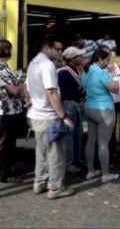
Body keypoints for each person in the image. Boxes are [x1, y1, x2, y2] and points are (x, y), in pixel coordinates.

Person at [26, 34, 75, 199]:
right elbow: (51, 92)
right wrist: (63, 117)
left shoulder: (34, 63)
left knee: (41, 152)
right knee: (56, 154)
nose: (60, 52)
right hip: (48, 117)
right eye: (57, 49)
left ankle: (39, 182)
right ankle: (55, 188)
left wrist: (31, 99)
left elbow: (27, 87)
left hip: (36, 115)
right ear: (47, 48)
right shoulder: (47, 65)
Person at [81, 48, 120, 184]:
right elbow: (115, 89)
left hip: (89, 108)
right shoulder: (102, 74)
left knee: (91, 141)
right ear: (100, 60)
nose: (108, 63)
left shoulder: (86, 72)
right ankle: (105, 174)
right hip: (104, 110)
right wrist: (114, 74)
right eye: (107, 60)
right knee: (103, 144)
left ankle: (90, 171)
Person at [0, 39, 25, 183]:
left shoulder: (6, 67)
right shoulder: (1, 69)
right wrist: (22, 80)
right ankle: (4, 174)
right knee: (6, 145)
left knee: (9, 144)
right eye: (10, 49)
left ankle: (7, 171)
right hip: (6, 111)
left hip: (11, 110)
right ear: (6, 50)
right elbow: (15, 91)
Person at [57, 46, 85, 173]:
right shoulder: (64, 72)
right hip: (69, 106)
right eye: (79, 56)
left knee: (78, 134)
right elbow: (66, 91)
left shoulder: (74, 70)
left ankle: (76, 159)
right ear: (73, 58)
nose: (81, 58)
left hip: (75, 105)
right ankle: (69, 162)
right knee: (69, 135)